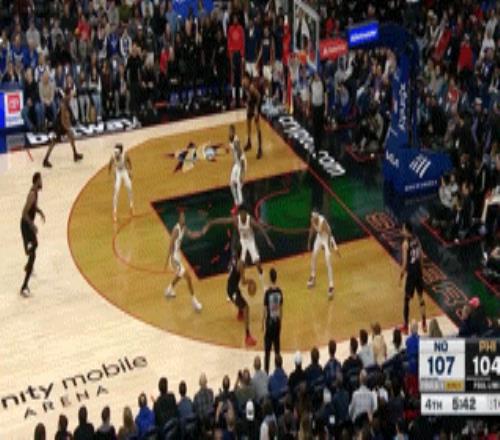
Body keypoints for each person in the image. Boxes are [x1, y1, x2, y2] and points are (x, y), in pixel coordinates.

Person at [203, 207, 274, 289]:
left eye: (244, 213)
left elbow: (260, 228)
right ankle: (237, 283)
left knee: (258, 264)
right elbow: (223, 220)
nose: (242, 215)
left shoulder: (250, 220)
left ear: (245, 213)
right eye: (240, 213)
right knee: (239, 265)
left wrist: (268, 241)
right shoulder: (236, 220)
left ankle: (264, 285)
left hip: (250, 242)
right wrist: (211, 222)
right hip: (242, 243)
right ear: (240, 213)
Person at [164, 210, 203, 311]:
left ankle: (169, 289)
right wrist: (170, 260)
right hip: (174, 257)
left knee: (180, 275)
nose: (183, 219)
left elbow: (191, 235)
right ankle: (194, 301)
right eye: (182, 217)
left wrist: (199, 234)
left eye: (184, 217)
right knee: (188, 277)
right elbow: (170, 245)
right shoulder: (176, 230)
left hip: (178, 256)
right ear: (179, 219)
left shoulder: (184, 228)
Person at [43, 87, 84, 168]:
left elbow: (67, 116)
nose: (72, 95)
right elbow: (62, 120)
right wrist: (67, 128)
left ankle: (75, 154)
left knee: (71, 136)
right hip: (59, 125)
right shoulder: (63, 104)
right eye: (71, 93)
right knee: (54, 142)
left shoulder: (67, 100)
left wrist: (69, 126)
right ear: (68, 94)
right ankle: (45, 160)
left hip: (62, 124)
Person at [226, 247, 257, 346]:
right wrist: (251, 281)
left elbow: (230, 273)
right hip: (232, 290)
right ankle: (247, 336)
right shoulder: (241, 264)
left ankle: (240, 314)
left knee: (239, 295)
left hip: (231, 287)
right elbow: (243, 282)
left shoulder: (233, 260)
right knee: (246, 307)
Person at [399, 222, 427, 334]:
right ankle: (424, 323)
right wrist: (422, 270)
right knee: (421, 298)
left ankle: (405, 327)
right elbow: (421, 255)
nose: (402, 231)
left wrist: (401, 276)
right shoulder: (417, 239)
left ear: (407, 230)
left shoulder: (405, 244)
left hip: (411, 274)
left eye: (403, 229)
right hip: (418, 272)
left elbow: (405, 263)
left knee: (406, 300)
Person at [20, 172, 45, 297]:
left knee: (34, 248)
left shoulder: (35, 193)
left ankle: (28, 265)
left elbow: (33, 207)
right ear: (36, 181)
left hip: (27, 226)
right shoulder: (32, 195)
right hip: (26, 226)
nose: (42, 182)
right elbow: (24, 213)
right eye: (41, 180)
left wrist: (40, 212)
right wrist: (32, 226)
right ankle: (24, 287)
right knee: (32, 254)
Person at [307, 209, 341, 299]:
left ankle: (331, 286)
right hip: (319, 238)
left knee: (328, 261)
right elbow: (312, 230)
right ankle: (313, 276)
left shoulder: (323, 221)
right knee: (314, 255)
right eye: (313, 218)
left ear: (317, 217)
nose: (314, 220)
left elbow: (329, 234)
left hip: (327, 239)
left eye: (315, 218)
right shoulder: (312, 220)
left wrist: (333, 247)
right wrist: (309, 242)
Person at [263, 267, 283, 373]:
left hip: (270, 323)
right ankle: (278, 370)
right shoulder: (279, 292)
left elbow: (265, 310)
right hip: (277, 322)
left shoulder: (268, 293)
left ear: (270, 278)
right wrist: (280, 323)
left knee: (267, 351)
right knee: (277, 349)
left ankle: (266, 371)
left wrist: (262, 324)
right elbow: (281, 309)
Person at [108, 143, 134, 222]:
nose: (116, 154)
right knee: (117, 191)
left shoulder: (125, 156)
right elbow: (110, 164)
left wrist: (130, 170)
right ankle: (114, 211)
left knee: (129, 187)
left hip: (124, 171)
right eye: (115, 152)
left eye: (117, 153)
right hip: (118, 172)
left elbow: (129, 161)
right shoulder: (113, 157)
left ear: (121, 152)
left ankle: (131, 205)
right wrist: (110, 173)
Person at [242, 72, 263, 159]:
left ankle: (260, 149)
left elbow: (259, 97)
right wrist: (246, 104)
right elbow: (245, 98)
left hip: (255, 106)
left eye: (245, 79)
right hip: (250, 106)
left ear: (248, 79)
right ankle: (249, 142)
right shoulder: (244, 86)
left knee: (257, 127)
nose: (244, 80)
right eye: (243, 79)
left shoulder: (251, 87)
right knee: (248, 124)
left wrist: (257, 109)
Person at [229, 124, 247, 213]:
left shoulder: (236, 142)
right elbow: (234, 154)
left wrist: (242, 173)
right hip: (236, 163)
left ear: (234, 132)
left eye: (231, 131)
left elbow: (241, 155)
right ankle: (237, 203)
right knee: (231, 184)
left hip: (241, 163)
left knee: (239, 185)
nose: (230, 133)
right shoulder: (230, 139)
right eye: (229, 131)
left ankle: (240, 205)